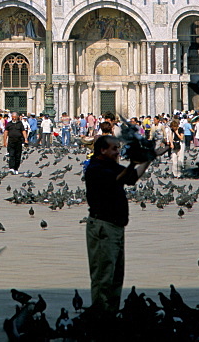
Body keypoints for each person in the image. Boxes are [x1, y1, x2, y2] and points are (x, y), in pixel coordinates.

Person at [84, 135, 162, 320]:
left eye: (118, 148)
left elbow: (131, 178)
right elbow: (117, 179)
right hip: (103, 227)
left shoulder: (110, 165)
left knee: (116, 276)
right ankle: (100, 318)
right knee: (103, 276)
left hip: (116, 227)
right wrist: (132, 163)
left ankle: (111, 316)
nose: (118, 152)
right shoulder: (94, 167)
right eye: (114, 149)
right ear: (102, 150)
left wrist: (149, 158)